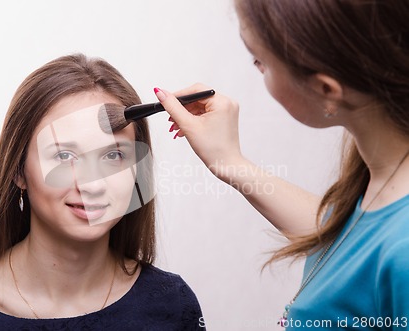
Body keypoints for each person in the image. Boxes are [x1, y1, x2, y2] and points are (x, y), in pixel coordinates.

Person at [153, 0, 409, 329]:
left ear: (326, 89)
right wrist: (230, 162)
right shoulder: (381, 174)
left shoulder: (402, 249)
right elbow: (348, 241)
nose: (258, 71)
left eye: (261, 62)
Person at [0, 54, 203, 330]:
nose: (92, 184)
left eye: (113, 156)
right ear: (18, 170)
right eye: (65, 156)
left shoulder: (172, 305)